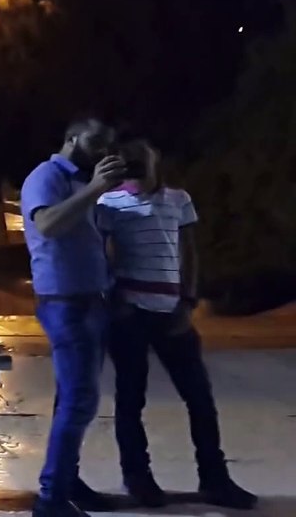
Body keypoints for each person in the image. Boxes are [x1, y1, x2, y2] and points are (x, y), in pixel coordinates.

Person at [97, 140, 255, 510]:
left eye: (141, 161)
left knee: (200, 397)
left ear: (156, 161)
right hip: (131, 312)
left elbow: (188, 251)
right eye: (128, 163)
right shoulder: (109, 204)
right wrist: (113, 300)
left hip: (172, 310)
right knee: (130, 400)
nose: (135, 168)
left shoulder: (178, 200)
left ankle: (215, 478)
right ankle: (138, 479)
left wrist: (188, 299)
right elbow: (101, 253)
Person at [21, 117, 123, 516]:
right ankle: (50, 498)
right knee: (80, 399)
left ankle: (67, 480)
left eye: (108, 145)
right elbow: (46, 224)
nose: (102, 150)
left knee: (73, 398)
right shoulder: (47, 176)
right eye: (96, 142)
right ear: (71, 139)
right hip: (65, 302)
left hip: (91, 299)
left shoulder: (83, 183)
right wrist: (96, 188)